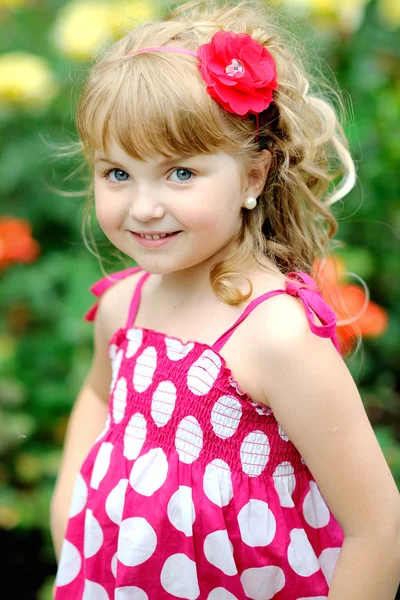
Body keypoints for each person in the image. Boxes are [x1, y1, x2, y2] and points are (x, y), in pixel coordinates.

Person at [50, 0, 400, 598]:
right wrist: (71, 516)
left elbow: (379, 525)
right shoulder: (123, 307)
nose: (143, 206)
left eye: (180, 173)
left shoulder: (274, 334)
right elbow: (96, 394)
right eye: (116, 173)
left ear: (254, 176)